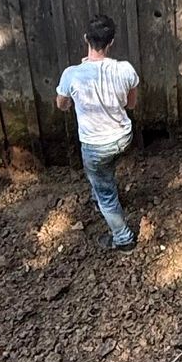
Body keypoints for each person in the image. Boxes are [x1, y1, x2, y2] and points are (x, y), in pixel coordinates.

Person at [56, 15, 139, 248]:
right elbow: (130, 105)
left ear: (86, 39)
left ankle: (123, 239)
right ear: (111, 42)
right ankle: (100, 194)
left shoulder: (71, 74)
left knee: (106, 193)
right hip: (123, 137)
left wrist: (71, 101)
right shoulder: (125, 70)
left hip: (95, 146)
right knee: (103, 171)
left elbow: (61, 104)